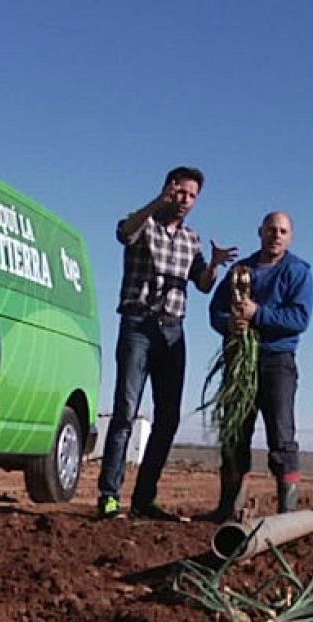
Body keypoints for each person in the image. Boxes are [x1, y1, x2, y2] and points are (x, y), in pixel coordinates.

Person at [96, 167, 237, 520]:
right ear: (167, 189)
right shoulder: (144, 222)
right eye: (179, 192)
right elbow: (124, 233)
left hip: (173, 330)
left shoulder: (191, 239)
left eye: (191, 196)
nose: (184, 200)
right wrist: (155, 204)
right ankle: (109, 496)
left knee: (168, 417)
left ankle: (144, 499)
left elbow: (203, 285)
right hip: (138, 324)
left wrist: (216, 265)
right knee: (126, 411)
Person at [204, 211, 313, 522]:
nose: (275, 235)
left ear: (290, 236)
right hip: (240, 360)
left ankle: (287, 514)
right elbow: (216, 310)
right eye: (270, 230)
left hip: (277, 362)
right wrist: (232, 324)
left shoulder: (298, 272)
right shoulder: (242, 270)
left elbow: (299, 319)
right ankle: (229, 508)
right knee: (235, 432)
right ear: (260, 232)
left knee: (281, 436)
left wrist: (257, 314)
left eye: (282, 231)